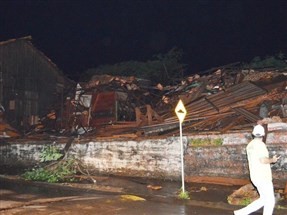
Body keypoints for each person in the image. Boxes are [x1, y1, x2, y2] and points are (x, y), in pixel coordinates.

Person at [234, 124, 281, 215]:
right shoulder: (260, 145)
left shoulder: (250, 145)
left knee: (264, 199)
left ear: (253, 134)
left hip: (255, 176)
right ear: (263, 134)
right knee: (270, 200)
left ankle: (241, 213)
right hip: (263, 176)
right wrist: (273, 160)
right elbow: (263, 160)